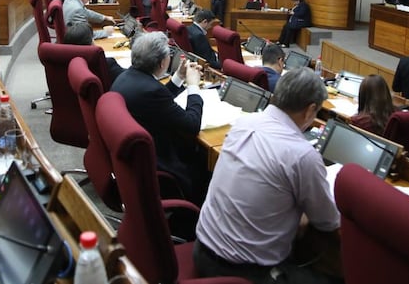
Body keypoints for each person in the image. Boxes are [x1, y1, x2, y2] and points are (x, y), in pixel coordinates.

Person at [194, 68, 340, 284]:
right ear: (310, 111)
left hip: (201, 251)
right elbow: (328, 222)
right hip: (244, 273)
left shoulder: (243, 124)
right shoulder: (303, 155)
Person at [110, 31, 204, 200]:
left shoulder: (127, 77)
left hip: (130, 159)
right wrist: (193, 86)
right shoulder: (152, 90)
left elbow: (158, 100)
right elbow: (192, 125)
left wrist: (179, 77)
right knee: (202, 158)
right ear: (162, 63)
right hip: (158, 164)